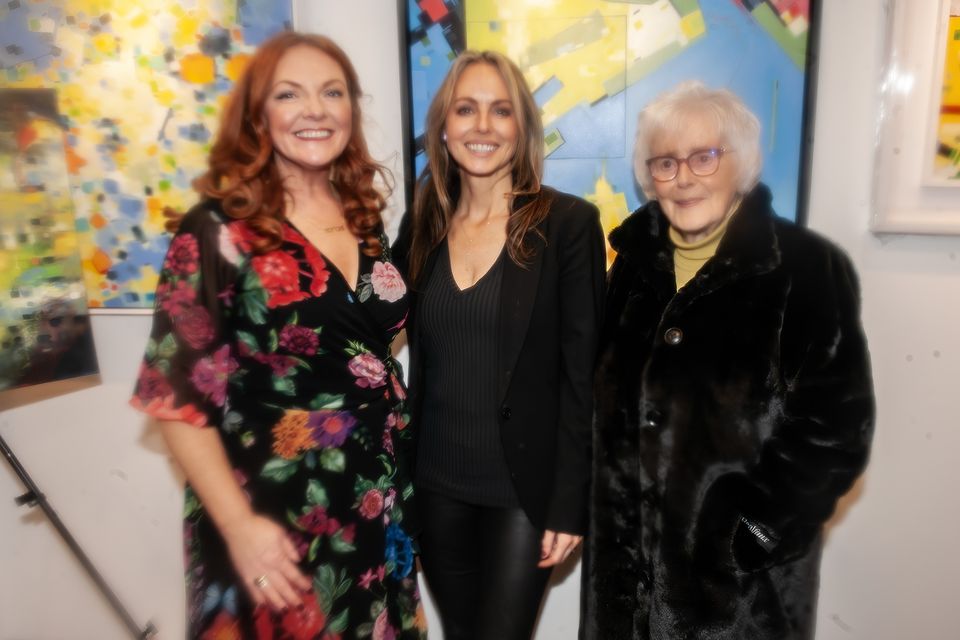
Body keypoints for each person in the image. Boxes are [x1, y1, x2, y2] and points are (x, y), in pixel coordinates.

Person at [130, 32, 426, 638]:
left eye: (332, 92)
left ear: (351, 109)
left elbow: (357, 354)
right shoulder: (216, 230)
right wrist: (239, 527)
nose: (315, 109)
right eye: (289, 94)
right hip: (274, 516)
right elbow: (174, 396)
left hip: (375, 504)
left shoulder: (364, 217)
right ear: (258, 115)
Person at [581, 80, 875, 640]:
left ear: (741, 164)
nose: (684, 176)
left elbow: (837, 427)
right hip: (623, 587)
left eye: (704, 157)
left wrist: (756, 528)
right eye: (665, 162)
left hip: (739, 595)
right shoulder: (632, 270)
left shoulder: (804, 268)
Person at [394, 50, 605, 639]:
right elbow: (364, 321)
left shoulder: (567, 224)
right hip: (435, 485)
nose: (482, 126)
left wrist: (571, 502)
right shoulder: (422, 226)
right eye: (466, 109)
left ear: (523, 128)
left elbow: (582, 375)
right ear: (443, 125)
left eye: (500, 111)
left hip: (524, 493)